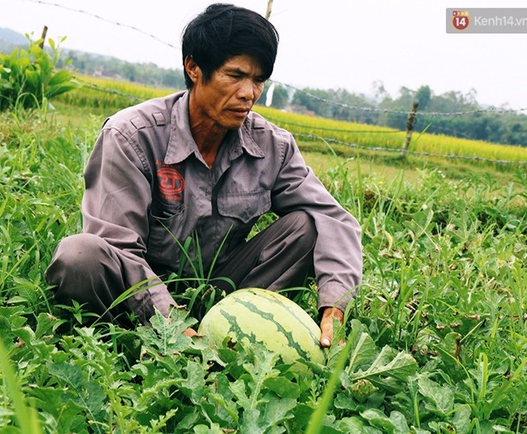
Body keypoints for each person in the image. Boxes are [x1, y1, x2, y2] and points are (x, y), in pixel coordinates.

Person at [45, 3, 362, 348]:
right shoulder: (132, 135)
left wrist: (334, 305)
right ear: (194, 67)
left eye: (258, 80)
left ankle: (234, 337)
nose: (248, 94)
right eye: (235, 75)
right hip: (136, 294)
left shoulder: (273, 146)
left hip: (223, 290)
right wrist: (171, 323)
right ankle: (127, 342)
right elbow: (119, 247)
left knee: (307, 225)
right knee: (80, 256)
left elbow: (334, 219)